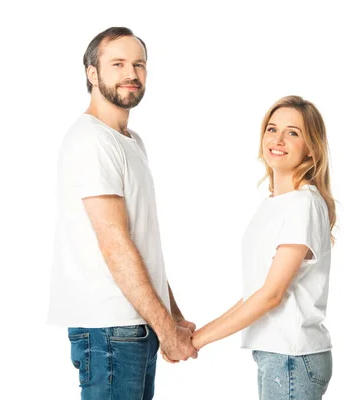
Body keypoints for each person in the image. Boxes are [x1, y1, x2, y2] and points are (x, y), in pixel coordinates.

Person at [47, 27, 197, 400]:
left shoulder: (130, 141)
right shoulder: (92, 140)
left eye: (139, 64)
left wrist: (172, 317)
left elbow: (142, 245)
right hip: (111, 328)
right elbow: (115, 243)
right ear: (92, 73)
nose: (131, 73)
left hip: (133, 326)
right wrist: (166, 328)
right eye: (117, 64)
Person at [186, 95, 336, 399]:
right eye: (272, 128)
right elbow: (257, 292)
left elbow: (271, 295)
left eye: (293, 132)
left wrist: (197, 340)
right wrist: (196, 335)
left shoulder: (302, 205)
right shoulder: (276, 205)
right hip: (279, 356)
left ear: (311, 147)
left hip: (292, 358)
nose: (278, 139)